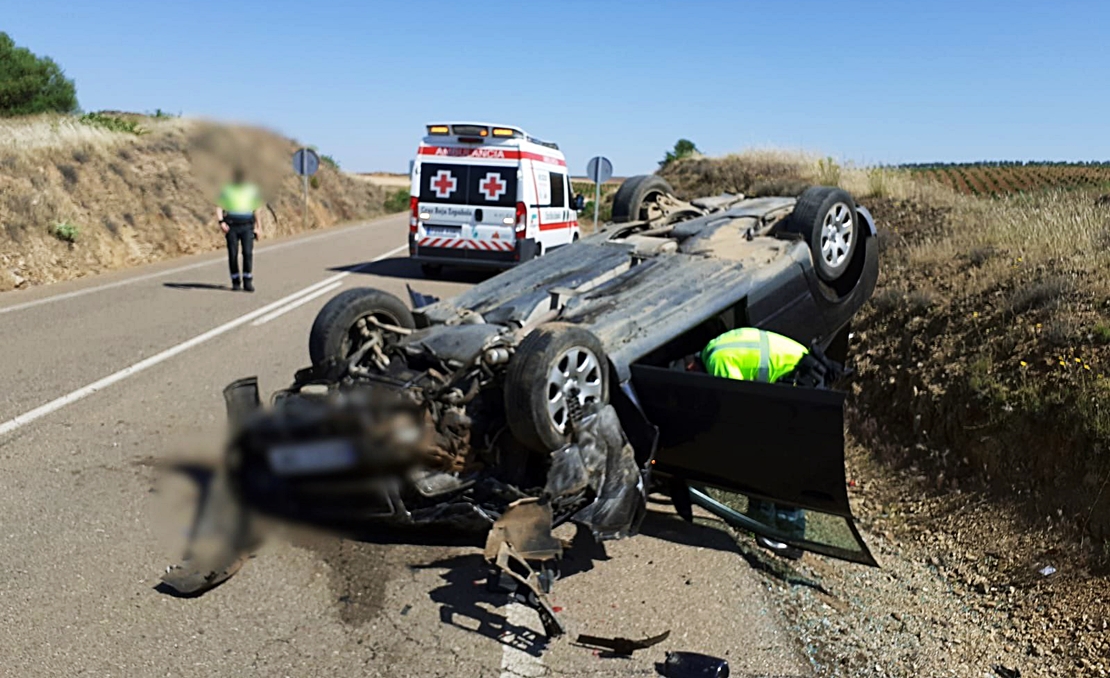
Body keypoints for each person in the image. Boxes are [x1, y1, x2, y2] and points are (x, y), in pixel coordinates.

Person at [694, 327, 848, 559]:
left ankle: (788, 538)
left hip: (803, 382)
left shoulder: (717, 362)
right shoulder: (712, 347)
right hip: (798, 375)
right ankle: (757, 520)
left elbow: (736, 410)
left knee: (781, 461)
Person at [217, 168, 263, 292]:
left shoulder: (252, 190)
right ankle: (235, 280)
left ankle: (248, 280)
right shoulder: (227, 190)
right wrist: (221, 222)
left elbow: (257, 209)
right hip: (231, 225)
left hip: (247, 225)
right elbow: (219, 207)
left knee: (247, 253)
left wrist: (258, 227)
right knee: (233, 254)